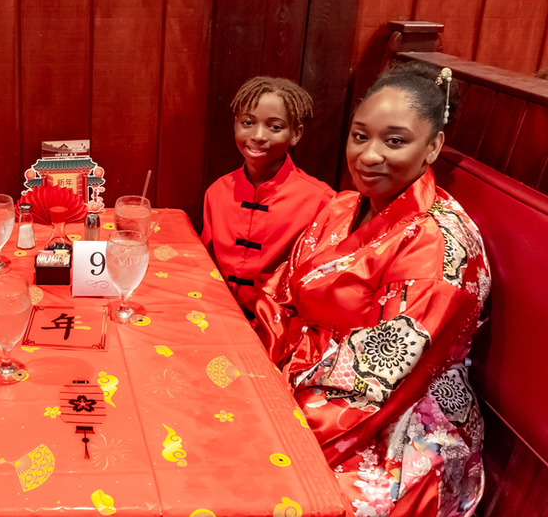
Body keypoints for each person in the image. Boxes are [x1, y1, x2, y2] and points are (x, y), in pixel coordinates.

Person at [252, 62, 489, 516]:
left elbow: (378, 380)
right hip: (303, 374)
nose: (368, 155)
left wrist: (273, 420)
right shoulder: (342, 205)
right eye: (360, 136)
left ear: (434, 145)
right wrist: (259, 370)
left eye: (394, 141)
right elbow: (280, 293)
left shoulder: (439, 246)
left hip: (394, 417)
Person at [200, 76, 334, 318]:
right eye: (248, 122)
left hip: (282, 325)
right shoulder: (217, 192)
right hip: (218, 314)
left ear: (296, 134)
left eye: (275, 127)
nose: (259, 135)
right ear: (235, 125)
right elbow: (206, 264)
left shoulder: (322, 201)